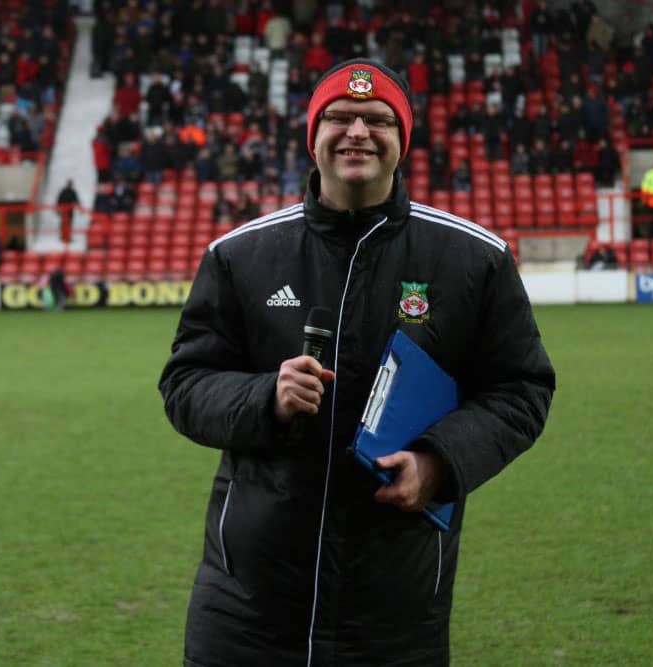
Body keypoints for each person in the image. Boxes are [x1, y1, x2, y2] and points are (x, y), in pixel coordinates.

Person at [158, 59, 556, 667]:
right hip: (247, 606)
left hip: (395, 609)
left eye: (377, 119)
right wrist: (266, 397)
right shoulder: (241, 255)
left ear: (403, 140)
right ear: (312, 136)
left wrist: (439, 462)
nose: (357, 132)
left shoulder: (474, 259)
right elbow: (186, 383)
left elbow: (521, 388)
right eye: (339, 118)